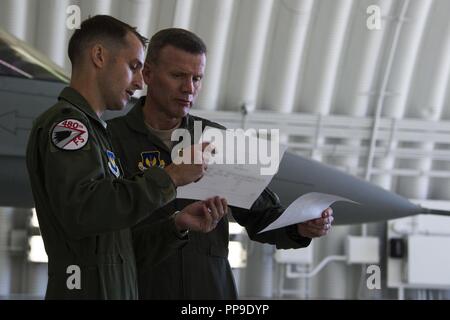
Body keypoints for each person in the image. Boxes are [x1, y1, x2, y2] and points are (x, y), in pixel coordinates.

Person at [107, 28, 334, 299]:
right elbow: (101, 230)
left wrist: (298, 226)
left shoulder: (216, 140)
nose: (189, 88)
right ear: (148, 75)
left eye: (197, 78)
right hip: (140, 289)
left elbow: (261, 213)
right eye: (178, 75)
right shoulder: (111, 139)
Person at [26, 16, 228, 300]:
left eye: (196, 78)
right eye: (133, 67)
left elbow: (118, 250)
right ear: (99, 56)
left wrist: (176, 226)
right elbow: (84, 212)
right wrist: (171, 176)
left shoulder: (97, 133)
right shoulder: (69, 126)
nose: (138, 81)